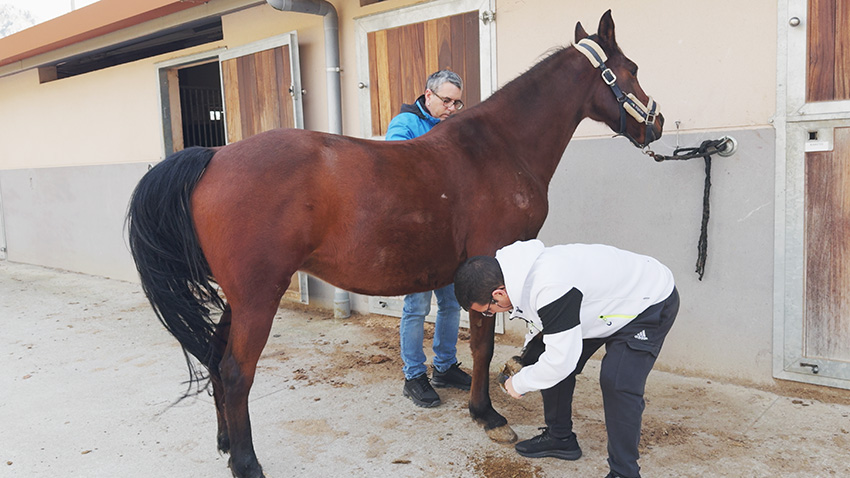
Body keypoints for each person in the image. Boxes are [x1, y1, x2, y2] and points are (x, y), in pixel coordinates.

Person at [453, 239, 679, 478]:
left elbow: (561, 361)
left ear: (498, 294)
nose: (490, 314)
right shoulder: (518, 276)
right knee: (545, 357)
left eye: (488, 310)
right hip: (597, 308)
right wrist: (527, 361)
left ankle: (624, 472)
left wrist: (520, 383)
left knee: (617, 381)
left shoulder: (550, 286)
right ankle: (560, 438)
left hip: (647, 302)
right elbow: (543, 328)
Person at [385, 69, 471, 408]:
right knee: (417, 306)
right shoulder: (405, 125)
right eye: (445, 100)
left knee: (451, 303)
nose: (451, 108)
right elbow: (393, 172)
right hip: (419, 235)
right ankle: (414, 375)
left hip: (448, 235)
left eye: (456, 102)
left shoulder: (454, 128)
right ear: (428, 95)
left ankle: (445, 367)